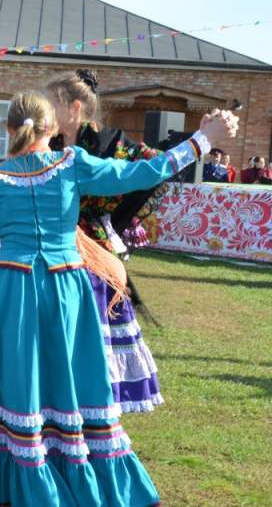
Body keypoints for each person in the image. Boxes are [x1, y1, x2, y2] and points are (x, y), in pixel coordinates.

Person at [0, 91, 238, 507]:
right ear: (53, 128)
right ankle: (68, 463)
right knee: (67, 374)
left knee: (9, 374)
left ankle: (11, 467)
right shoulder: (72, 165)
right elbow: (144, 172)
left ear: (8, 129)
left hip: (11, 286)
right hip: (66, 287)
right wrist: (202, 141)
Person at [47, 70, 169, 414]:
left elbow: (152, 167)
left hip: (95, 252)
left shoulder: (111, 142)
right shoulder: (50, 143)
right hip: (58, 247)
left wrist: (115, 214)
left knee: (97, 331)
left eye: (51, 104)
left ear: (73, 107)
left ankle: (96, 403)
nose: (45, 111)